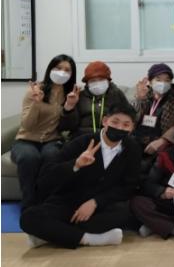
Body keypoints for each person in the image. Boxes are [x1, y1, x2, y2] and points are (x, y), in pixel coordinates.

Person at [20, 103, 142, 249]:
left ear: (132, 128)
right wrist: (76, 164)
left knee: (123, 214)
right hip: (69, 202)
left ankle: (54, 234)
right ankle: (89, 239)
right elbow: (47, 176)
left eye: (126, 125)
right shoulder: (81, 142)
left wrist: (95, 202)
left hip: (102, 206)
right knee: (28, 218)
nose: (120, 128)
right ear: (105, 121)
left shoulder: (133, 148)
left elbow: (128, 186)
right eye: (115, 122)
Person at [11, 54, 77, 209]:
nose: (62, 72)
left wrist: (69, 107)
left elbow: (69, 126)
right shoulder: (35, 91)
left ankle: (46, 204)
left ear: (72, 74)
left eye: (67, 70)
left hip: (52, 140)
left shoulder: (71, 94)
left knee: (52, 156)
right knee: (29, 157)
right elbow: (27, 125)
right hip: (26, 140)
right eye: (58, 68)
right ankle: (28, 206)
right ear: (50, 69)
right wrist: (37, 104)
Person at [132, 63, 174, 171]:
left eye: (167, 80)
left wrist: (163, 140)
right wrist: (139, 99)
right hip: (137, 140)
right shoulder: (143, 94)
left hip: (160, 142)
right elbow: (130, 119)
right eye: (158, 79)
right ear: (150, 81)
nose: (163, 83)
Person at [60, 61, 131, 139]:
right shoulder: (79, 96)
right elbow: (68, 127)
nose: (97, 83)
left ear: (108, 80)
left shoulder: (116, 94)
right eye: (93, 81)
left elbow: (130, 118)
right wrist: (69, 106)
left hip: (109, 138)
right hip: (82, 138)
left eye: (101, 79)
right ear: (87, 83)